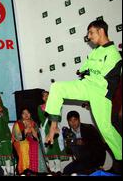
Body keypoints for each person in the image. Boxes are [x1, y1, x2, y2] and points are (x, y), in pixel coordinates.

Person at [45, 20, 122, 165]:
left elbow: (110, 81)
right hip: (87, 85)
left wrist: (98, 95)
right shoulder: (95, 52)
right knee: (56, 87)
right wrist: (82, 72)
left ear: (101, 31)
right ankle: (53, 127)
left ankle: (120, 158)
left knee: (106, 130)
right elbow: (84, 70)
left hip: (100, 92)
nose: (89, 37)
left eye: (91, 33)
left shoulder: (114, 55)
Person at [62, 111, 107, 175]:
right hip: (80, 161)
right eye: (70, 121)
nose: (73, 122)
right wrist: (68, 144)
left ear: (79, 119)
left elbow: (100, 146)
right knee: (66, 170)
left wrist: (85, 142)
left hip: (93, 159)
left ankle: (97, 169)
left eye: (75, 120)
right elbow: (68, 152)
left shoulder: (89, 128)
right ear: (68, 122)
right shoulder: (68, 133)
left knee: (80, 173)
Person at [37, 90, 69, 173]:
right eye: (44, 96)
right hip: (46, 129)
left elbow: (59, 118)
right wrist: (48, 110)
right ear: (42, 98)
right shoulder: (40, 107)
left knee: (56, 148)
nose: (46, 97)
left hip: (55, 130)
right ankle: (51, 170)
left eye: (47, 95)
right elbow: (42, 119)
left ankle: (58, 171)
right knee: (48, 149)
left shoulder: (56, 105)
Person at [12, 108, 48, 175]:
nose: (26, 115)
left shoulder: (34, 123)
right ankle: (25, 169)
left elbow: (37, 138)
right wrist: (25, 130)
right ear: (21, 115)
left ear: (30, 114)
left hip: (32, 140)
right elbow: (17, 137)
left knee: (35, 144)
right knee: (24, 145)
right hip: (19, 142)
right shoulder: (18, 123)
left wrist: (32, 128)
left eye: (27, 113)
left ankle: (35, 169)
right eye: (24, 113)